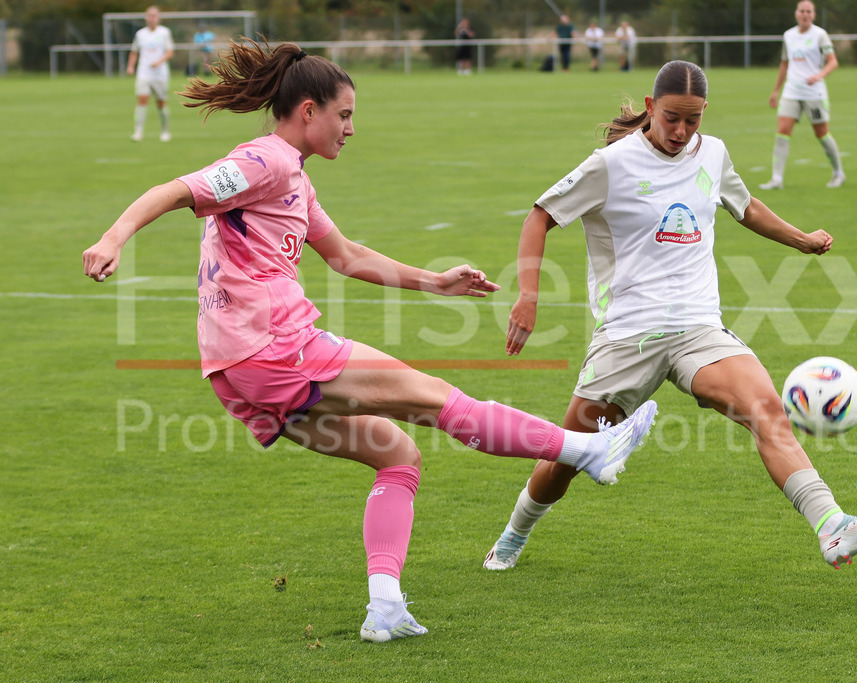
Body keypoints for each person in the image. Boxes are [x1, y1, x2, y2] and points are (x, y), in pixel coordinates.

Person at [82, 38, 657, 643]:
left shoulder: (293, 181)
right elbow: (176, 189)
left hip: (234, 372)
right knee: (435, 398)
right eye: (346, 114)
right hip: (275, 347)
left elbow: (348, 256)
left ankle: (384, 608)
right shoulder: (266, 161)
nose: (351, 129)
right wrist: (113, 237)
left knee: (397, 456)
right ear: (309, 111)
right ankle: (585, 449)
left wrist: (436, 281)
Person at [482, 60, 857, 574]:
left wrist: (803, 240)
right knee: (569, 457)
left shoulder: (714, 154)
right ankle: (513, 535)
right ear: (649, 108)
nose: (681, 132)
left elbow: (744, 205)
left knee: (766, 409)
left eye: (693, 120)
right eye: (670, 119)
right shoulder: (611, 164)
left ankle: (831, 525)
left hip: (699, 329)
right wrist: (528, 295)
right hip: (627, 336)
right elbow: (540, 216)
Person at [759, 0, 844, 190]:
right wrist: (776, 91)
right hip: (791, 91)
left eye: (809, 11)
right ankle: (777, 179)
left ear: (813, 15)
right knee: (782, 131)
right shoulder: (788, 35)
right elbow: (784, 63)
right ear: (796, 14)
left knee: (822, 134)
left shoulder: (820, 35)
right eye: (802, 11)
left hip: (814, 93)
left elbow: (833, 62)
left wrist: (819, 75)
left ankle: (839, 173)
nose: (805, 14)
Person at [127, 5, 174, 142]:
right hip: (144, 73)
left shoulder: (164, 32)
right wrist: (130, 66)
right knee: (142, 100)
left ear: (158, 18)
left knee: (160, 103)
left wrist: (159, 61)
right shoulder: (140, 34)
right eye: (149, 16)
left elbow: (169, 52)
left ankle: (165, 131)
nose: (151, 19)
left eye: (154, 16)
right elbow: (134, 52)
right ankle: (138, 132)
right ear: (146, 17)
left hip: (160, 75)